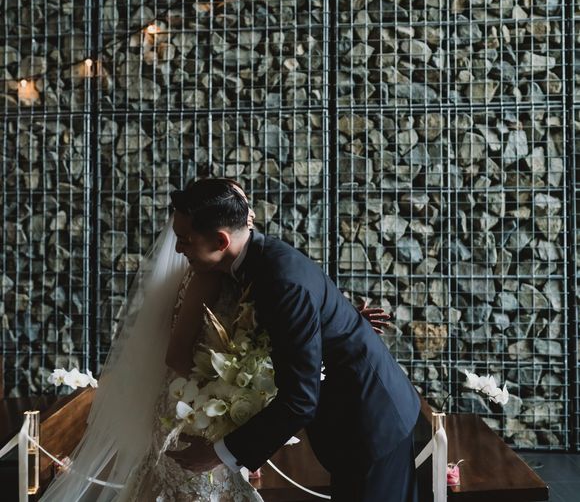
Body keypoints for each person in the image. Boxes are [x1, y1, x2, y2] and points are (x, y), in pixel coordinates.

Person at [40, 177, 393, 501]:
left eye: (186, 239)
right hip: (195, 405)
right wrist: (229, 421)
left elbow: (282, 326)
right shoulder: (213, 271)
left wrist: (334, 323)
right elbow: (180, 355)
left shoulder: (257, 270)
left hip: (240, 411)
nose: (179, 248)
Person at [166, 178, 420, 502]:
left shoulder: (281, 282)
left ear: (220, 240)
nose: (178, 249)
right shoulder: (257, 260)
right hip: (355, 417)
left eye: (185, 240)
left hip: (370, 422)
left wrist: (218, 453)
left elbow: (300, 399)